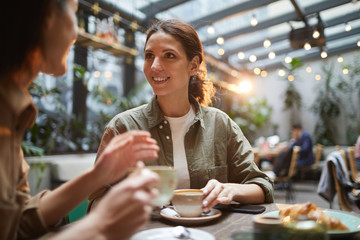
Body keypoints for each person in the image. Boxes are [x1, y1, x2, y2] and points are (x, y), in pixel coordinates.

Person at [0, 1, 161, 239]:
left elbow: (19, 222)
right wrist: (101, 223)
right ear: (47, 19)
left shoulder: (13, 111)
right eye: (75, 14)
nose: (76, 34)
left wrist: (99, 174)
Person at [88, 19, 274, 213]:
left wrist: (230, 189)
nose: (154, 66)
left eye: (169, 55)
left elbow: (262, 185)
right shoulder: (123, 127)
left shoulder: (220, 125)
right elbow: (95, 203)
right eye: (149, 56)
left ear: (193, 65)